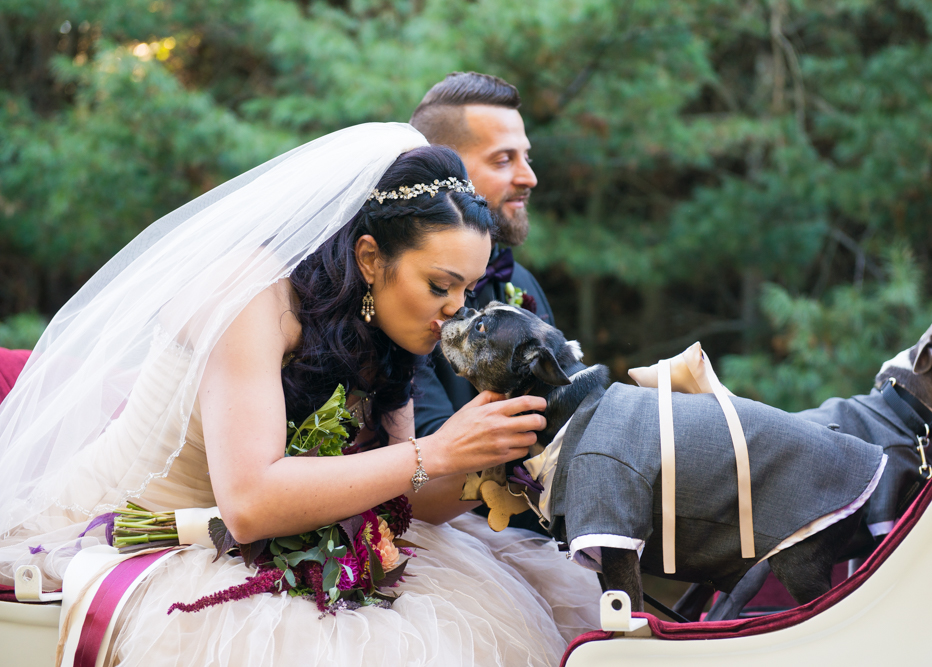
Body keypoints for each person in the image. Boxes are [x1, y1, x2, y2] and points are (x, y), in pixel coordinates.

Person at [0, 124, 599, 665]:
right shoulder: (249, 295)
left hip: (288, 538)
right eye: (440, 285)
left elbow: (402, 499)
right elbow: (250, 502)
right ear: (369, 258)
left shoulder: (386, 325)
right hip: (149, 534)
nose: (455, 310)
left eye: (466, 290)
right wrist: (438, 452)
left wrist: (486, 467)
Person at [409, 73, 558, 535]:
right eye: (503, 159)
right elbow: (428, 450)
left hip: (531, 528)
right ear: (443, 171)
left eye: (525, 157)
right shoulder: (408, 292)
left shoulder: (521, 284)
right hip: (439, 531)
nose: (528, 176)